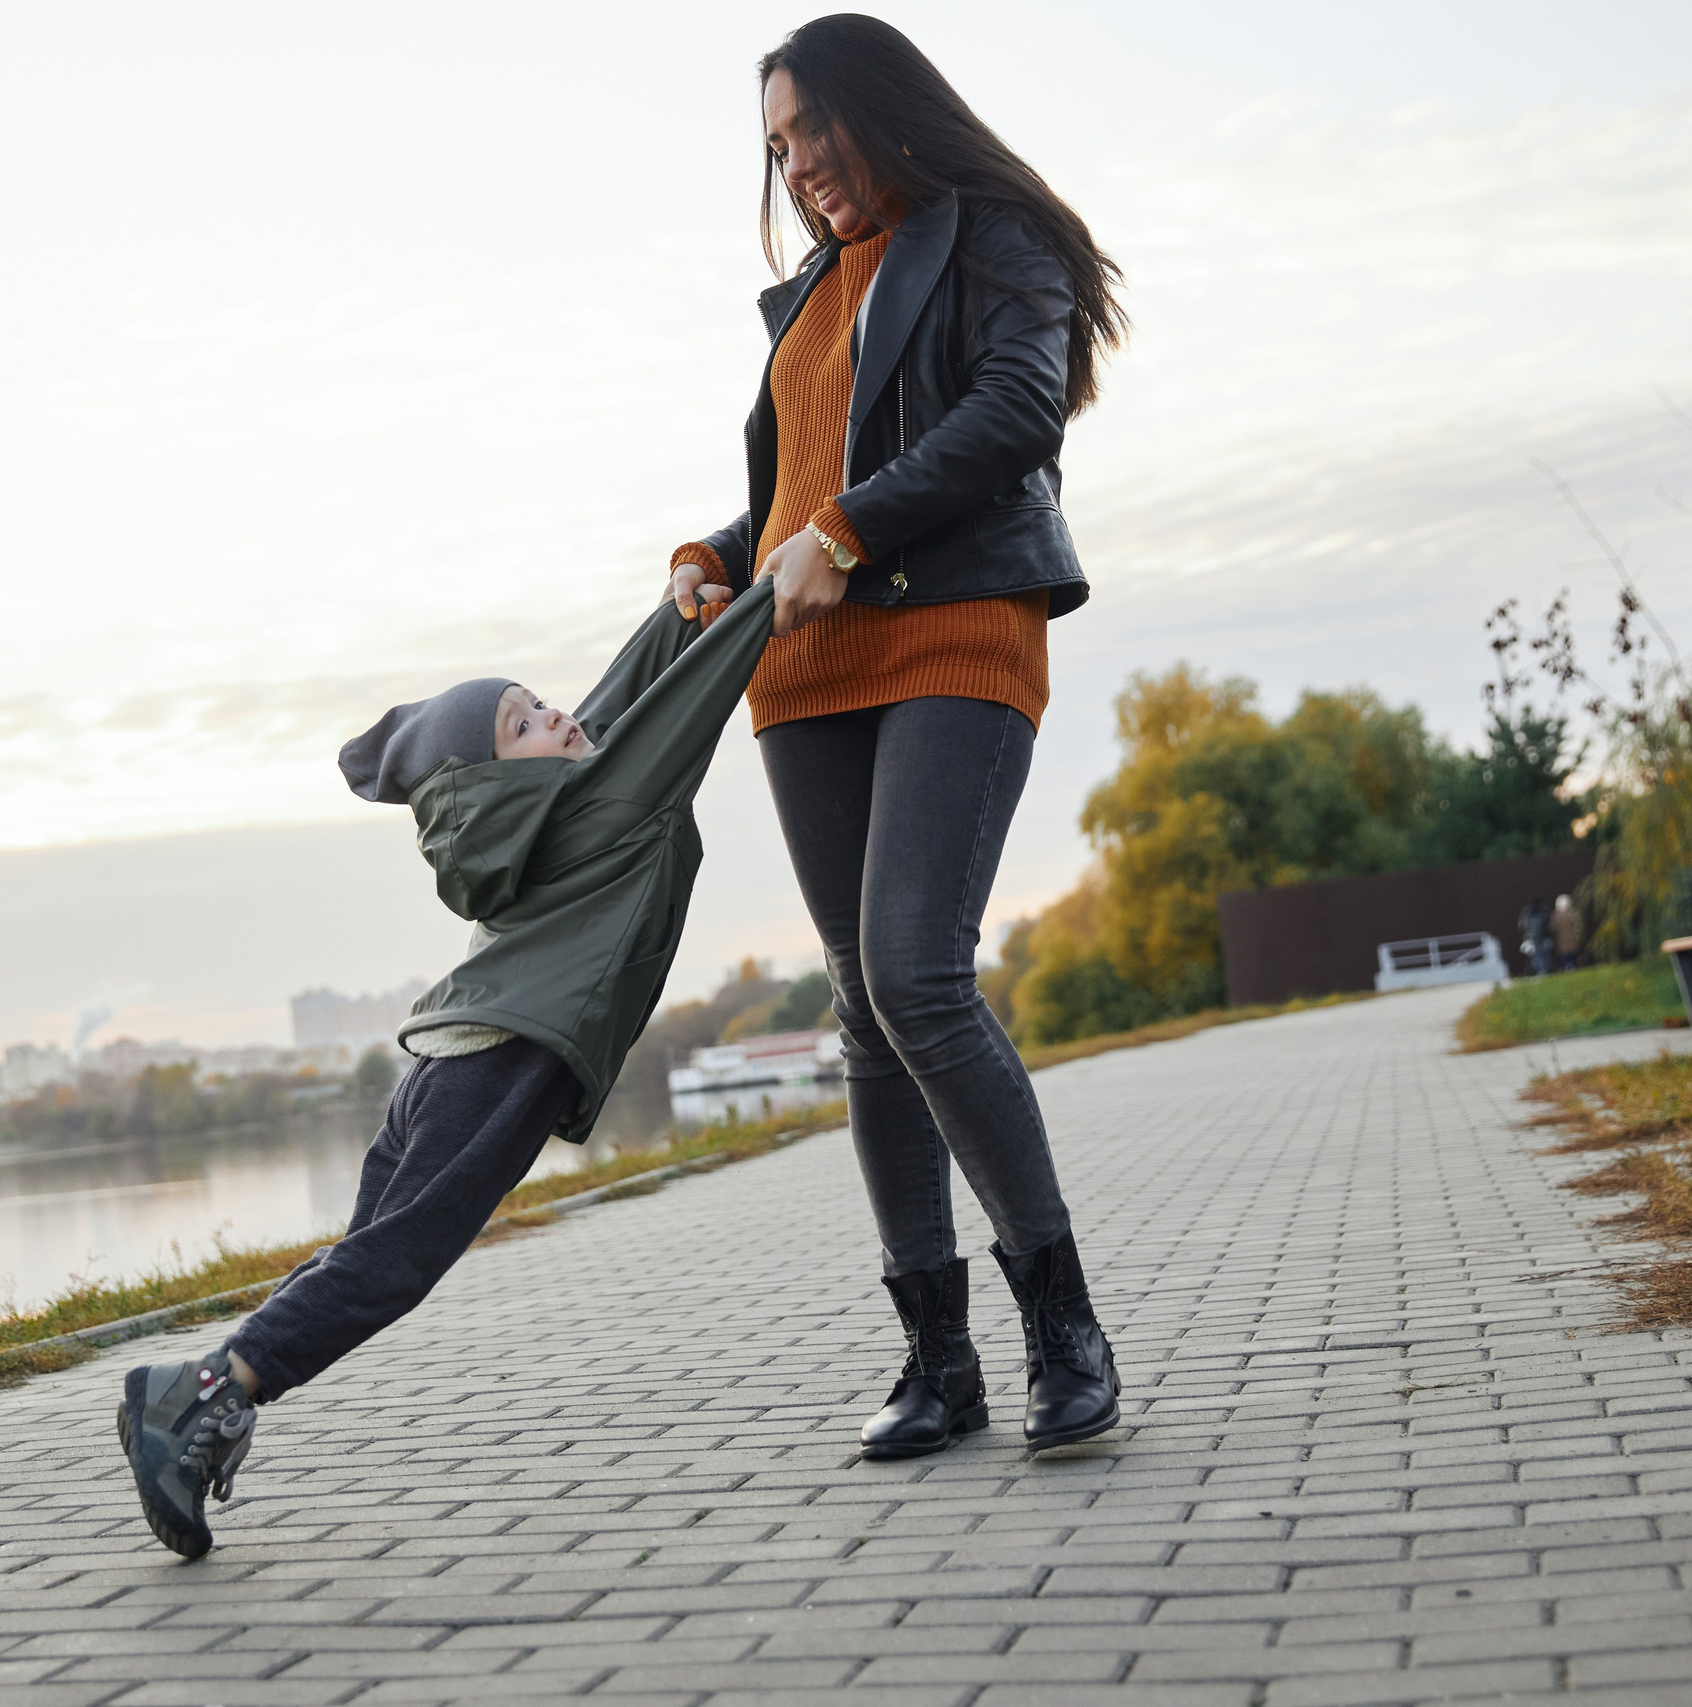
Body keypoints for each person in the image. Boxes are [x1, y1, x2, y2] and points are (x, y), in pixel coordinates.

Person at [665, 16, 1127, 1458]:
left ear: (882, 108)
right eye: (779, 147)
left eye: (812, 132)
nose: (799, 167)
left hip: (957, 625)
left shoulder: (994, 234)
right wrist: (717, 553)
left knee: (921, 970)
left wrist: (847, 532)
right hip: (807, 675)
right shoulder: (806, 298)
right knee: (864, 1006)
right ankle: (939, 1359)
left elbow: (1012, 414)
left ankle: (1064, 1326)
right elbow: (806, 489)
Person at [116, 583, 777, 1559]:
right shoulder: (596, 799)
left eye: (535, 699)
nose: (557, 715)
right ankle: (210, 1392)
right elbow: (690, 699)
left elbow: (623, 695)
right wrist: (774, 595)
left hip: (455, 1054)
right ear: (499, 776)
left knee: (370, 1256)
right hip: (500, 1060)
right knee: (395, 1264)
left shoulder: (553, 793)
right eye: (524, 722)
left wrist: (686, 603)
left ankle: (194, 1391)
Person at [1519, 896, 1553, 978]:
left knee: (1534, 955)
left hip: (1530, 938)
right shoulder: (1544, 910)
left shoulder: (1526, 912)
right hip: (1543, 937)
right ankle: (1545, 970)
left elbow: (1521, 925)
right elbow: (1549, 924)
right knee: (1544, 954)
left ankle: (1539, 970)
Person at [1551, 893, 1584, 973]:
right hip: (1573, 939)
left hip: (1561, 940)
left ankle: (1568, 966)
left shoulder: (1556, 915)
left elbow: (1553, 927)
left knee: (1565, 955)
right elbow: (1578, 926)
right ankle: (1572, 966)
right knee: (1572, 954)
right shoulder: (1573, 913)